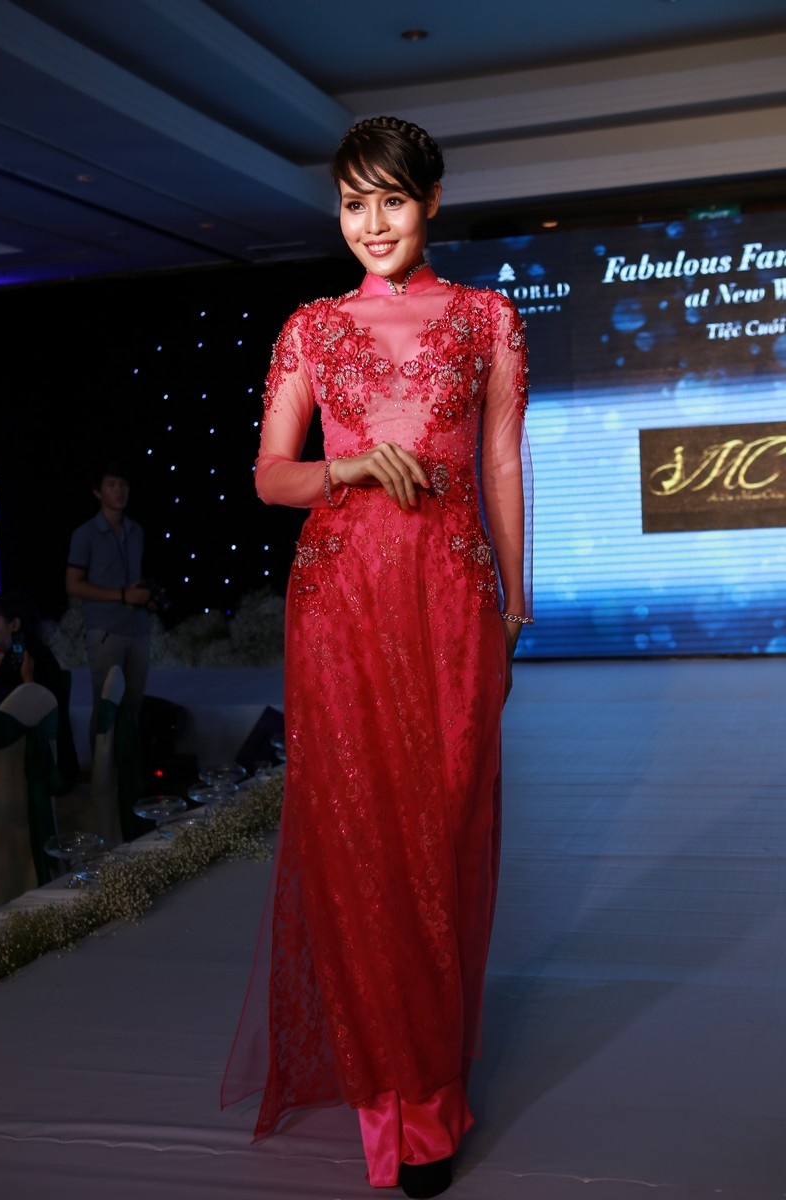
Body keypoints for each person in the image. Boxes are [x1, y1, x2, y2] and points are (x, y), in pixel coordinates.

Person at [222, 117, 532, 1199]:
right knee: (357, 849)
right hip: (340, 604)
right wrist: (347, 469)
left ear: (431, 201)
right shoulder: (311, 327)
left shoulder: (486, 318)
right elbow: (270, 475)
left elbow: (502, 466)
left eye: (391, 200)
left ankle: (432, 1089)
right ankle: (389, 1105)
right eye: (353, 204)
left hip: (450, 602)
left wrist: (515, 607)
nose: (371, 224)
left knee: (440, 843)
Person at [65, 462, 152, 744]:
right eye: (112, 485)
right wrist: (121, 595)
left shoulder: (136, 531)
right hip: (106, 631)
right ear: (98, 492)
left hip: (137, 629)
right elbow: (73, 585)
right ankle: (103, 770)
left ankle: (129, 766)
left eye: (123, 484)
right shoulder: (86, 534)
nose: (119, 490)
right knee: (106, 704)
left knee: (133, 704)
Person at [0, 589, 79, 825]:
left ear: (14, 624)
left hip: (42, 769)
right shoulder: (33, 653)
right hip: (46, 763)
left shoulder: (24, 662)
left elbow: (2, 717)